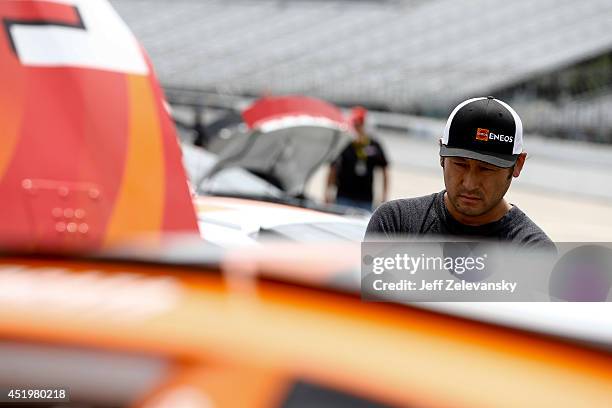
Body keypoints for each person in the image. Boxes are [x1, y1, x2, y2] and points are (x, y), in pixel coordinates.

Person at [365, 96, 553, 248]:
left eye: (487, 169)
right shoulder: (396, 223)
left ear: (518, 165)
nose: (470, 183)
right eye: (460, 164)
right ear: (441, 154)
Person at [325, 107, 389, 211]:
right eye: (355, 124)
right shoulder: (344, 143)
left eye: (360, 124)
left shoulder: (374, 145)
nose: (357, 127)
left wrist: (384, 196)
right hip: (343, 196)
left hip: (366, 198)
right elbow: (333, 168)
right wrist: (328, 192)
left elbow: (385, 170)